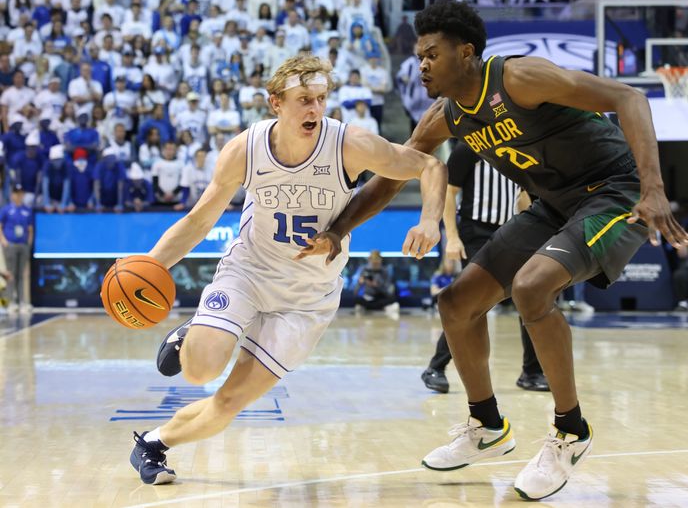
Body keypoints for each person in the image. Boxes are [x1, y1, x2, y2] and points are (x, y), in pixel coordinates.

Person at [297, 1, 688, 501]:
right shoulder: (445, 116)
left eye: (431, 54)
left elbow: (629, 97)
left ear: (466, 54)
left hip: (616, 191)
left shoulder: (520, 78)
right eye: (418, 56)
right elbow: (395, 173)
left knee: (531, 286)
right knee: (455, 304)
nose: (421, 65)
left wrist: (653, 188)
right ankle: (486, 425)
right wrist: (338, 230)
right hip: (554, 203)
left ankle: (571, 430)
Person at [124, 55, 446, 485]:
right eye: (304, 100)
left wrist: (430, 217)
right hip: (250, 273)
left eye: (321, 99)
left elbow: (429, 164)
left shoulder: (349, 144)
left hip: (308, 300)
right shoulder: (245, 148)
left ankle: (152, 443)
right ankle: (192, 336)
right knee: (199, 370)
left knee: (228, 403)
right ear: (275, 103)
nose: (314, 109)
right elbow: (199, 222)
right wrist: (146, 266)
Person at [421, 142, 548, 395]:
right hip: (476, 231)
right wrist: (453, 237)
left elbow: (521, 196)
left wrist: (534, 231)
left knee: (530, 295)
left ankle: (532, 372)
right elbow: (449, 193)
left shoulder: (519, 150)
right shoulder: (469, 149)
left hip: (512, 229)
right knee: (473, 303)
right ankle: (436, 367)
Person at [0, 184, 34, 313]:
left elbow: (30, 229)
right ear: (12, 195)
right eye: (16, 193)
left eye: (20, 193)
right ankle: (10, 302)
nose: (18, 196)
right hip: (11, 245)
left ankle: (22, 302)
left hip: (23, 245)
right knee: (10, 274)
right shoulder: (6, 210)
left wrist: (28, 244)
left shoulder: (27, 210)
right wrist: (4, 242)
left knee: (21, 274)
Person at [353, 249, 399, 314]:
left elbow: (388, 291)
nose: (375, 265)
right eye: (373, 263)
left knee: (393, 299)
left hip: (381, 298)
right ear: (369, 261)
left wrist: (377, 285)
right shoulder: (364, 270)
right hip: (368, 298)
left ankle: (373, 307)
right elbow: (355, 291)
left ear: (380, 261)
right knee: (357, 300)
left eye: (377, 263)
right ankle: (371, 307)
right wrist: (360, 283)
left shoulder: (385, 271)